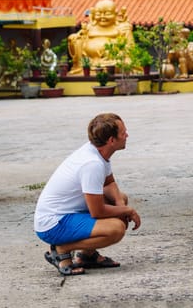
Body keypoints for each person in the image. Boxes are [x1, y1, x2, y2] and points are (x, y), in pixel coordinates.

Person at [34, 113, 141, 275]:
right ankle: (62, 249)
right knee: (116, 229)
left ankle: (87, 255)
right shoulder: (92, 164)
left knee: (121, 199)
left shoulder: (98, 151)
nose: (127, 135)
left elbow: (109, 182)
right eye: (123, 133)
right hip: (52, 224)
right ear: (111, 140)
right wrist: (128, 211)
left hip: (68, 214)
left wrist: (121, 205)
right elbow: (97, 211)